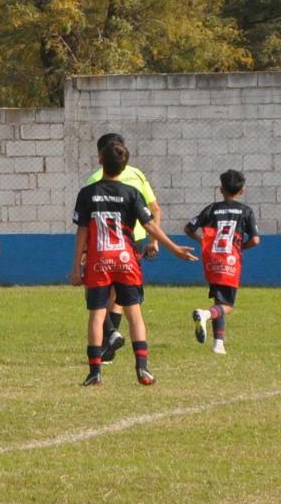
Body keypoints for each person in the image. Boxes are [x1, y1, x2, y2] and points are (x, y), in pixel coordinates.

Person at [69, 143, 196, 387]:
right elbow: (150, 226)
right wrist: (174, 248)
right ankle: (143, 369)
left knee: (97, 315)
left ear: (99, 160)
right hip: (126, 260)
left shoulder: (87, 193)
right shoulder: (131, 192)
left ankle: (95, 372)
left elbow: (82, 230)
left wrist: (76, 266)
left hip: (99, 261)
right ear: (125, 166)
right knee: (134, 314)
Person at [84, 132, 161, 363]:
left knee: (96, 294)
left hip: (106, 243)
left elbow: (89, 221)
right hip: (133, 242)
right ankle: (114, 346)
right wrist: (154, 239)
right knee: (120, 294)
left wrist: (85, 253)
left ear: (100, 155)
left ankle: (110, 335)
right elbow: (155, 209)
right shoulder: (137, 174)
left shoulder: (96, 179)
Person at [185, 169, 260, 355]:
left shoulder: (211, 208)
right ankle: (205, 314)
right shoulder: (246, 211)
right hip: (231, 259)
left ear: (221, 189)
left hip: (212, 258)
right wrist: (241, 247)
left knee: (220, 300)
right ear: (241, 191)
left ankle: (218, 343)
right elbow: (255, 240)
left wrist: (201, 240)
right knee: (227, 306)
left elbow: (188, 228)